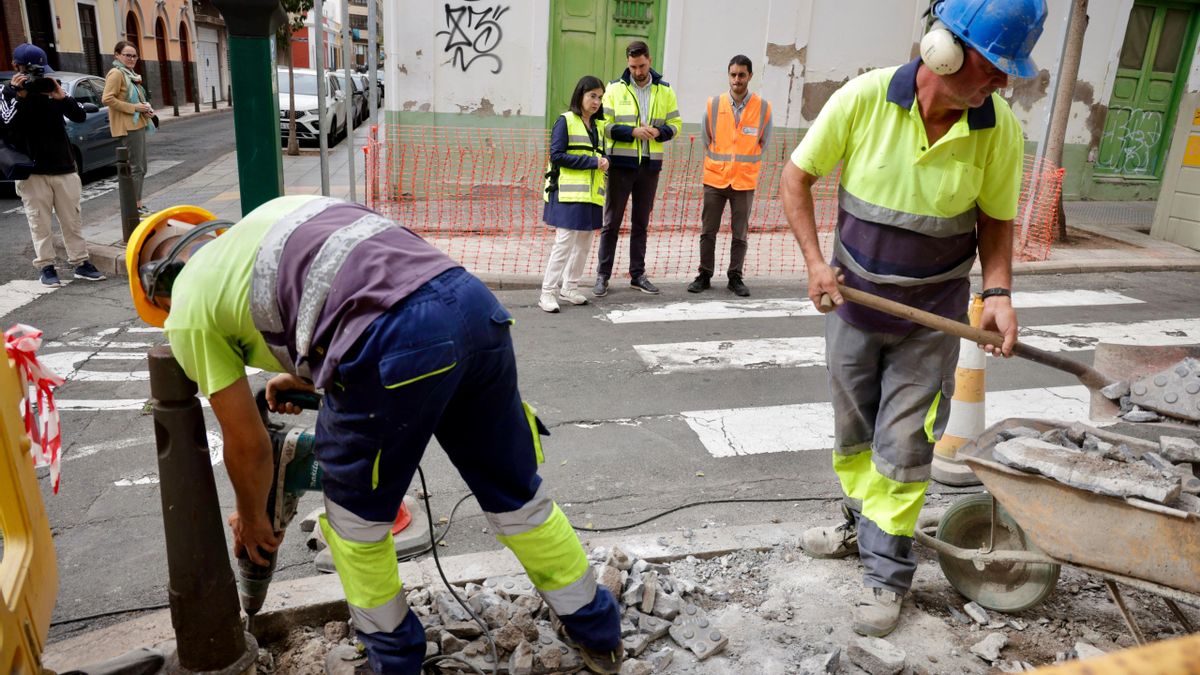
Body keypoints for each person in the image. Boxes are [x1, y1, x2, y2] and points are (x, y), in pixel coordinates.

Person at [126, 197, 623, 675]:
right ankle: (598, 634)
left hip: (399, 346)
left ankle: (395, 660)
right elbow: (361, 289)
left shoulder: (188, 306)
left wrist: (254, 519)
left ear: (157, 289)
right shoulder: (276, 216)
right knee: (516, 496)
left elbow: (248, 443)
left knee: (356, 526)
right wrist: (307, 375)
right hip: (473, 308)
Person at [780, 0, 1045, 638]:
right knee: (855, 435)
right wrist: (816, 263)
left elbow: (995, 221)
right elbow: (795, 179)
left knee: (904, 446)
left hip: (934, 320)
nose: (1002, 81)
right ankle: (859, 525)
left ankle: (885, 574)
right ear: (943, 50)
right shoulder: (864, 100)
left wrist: (1001, 293)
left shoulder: (998, 129)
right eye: (995, 64)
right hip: (853, 304)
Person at [1, 43, 106, 286]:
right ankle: (47, 267)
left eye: (40, 70)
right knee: (39, 222)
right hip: (32, 171)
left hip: (64, 167)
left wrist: (63, 98)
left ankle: (81, 262)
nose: (37, 76)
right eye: (30, 71)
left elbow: (79, 115)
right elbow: (5, 123)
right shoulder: (6, 93)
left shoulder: (51, 87)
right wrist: (19, 96)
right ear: (16, 67)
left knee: (72, 220)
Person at [592, 40, 681, 297]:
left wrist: (659, 132)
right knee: (611, 222)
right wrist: (632, 132)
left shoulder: (665, 91)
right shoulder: (614, 89)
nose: (638, 71)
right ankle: (602, 275)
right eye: (633, 67)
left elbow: (676, 123)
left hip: (650, 167)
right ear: (627, 63)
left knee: (641, 223)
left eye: (641, 66)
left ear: (649, 60)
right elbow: (603, 125)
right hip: (621, 165)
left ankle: (637, 274)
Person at [689, 55, 773, 298]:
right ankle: (704, 274)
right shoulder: (714, 105)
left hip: (744, 182)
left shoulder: (763, 108)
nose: (737, 79)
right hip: (715, 180)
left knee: (740, 233)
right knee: (708, 231)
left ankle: (735, 277)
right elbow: (707, 139)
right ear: (728, 75)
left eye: (742, 75)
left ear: (750, 76)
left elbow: (763, 142)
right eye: (733, 74)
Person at [539, 75, 609, 313]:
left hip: (591, 195)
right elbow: (556, 155)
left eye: (600, 97)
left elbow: (599, 156)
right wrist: (592, 162)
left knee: (584, 244)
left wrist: (604, 162)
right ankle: (547, 292)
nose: (596, 101)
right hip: (568, 194)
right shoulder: (565, 121)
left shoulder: (599, 126)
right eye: (592, 96)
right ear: (580, 95)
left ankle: (570, 287)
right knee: (564, 243)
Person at [102, 40, 155, 216]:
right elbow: (107, 99)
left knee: (142, 167)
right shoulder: (116, 74)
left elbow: (134, 99)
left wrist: (144, 108)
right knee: (136, 168)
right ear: (117, 55)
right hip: (127, 127)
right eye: (127, 55)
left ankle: (138, 204)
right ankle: (135, 207)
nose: (131, 58)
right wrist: (135, 108)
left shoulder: (130, 74)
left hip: (137, 123)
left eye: (134, 56)